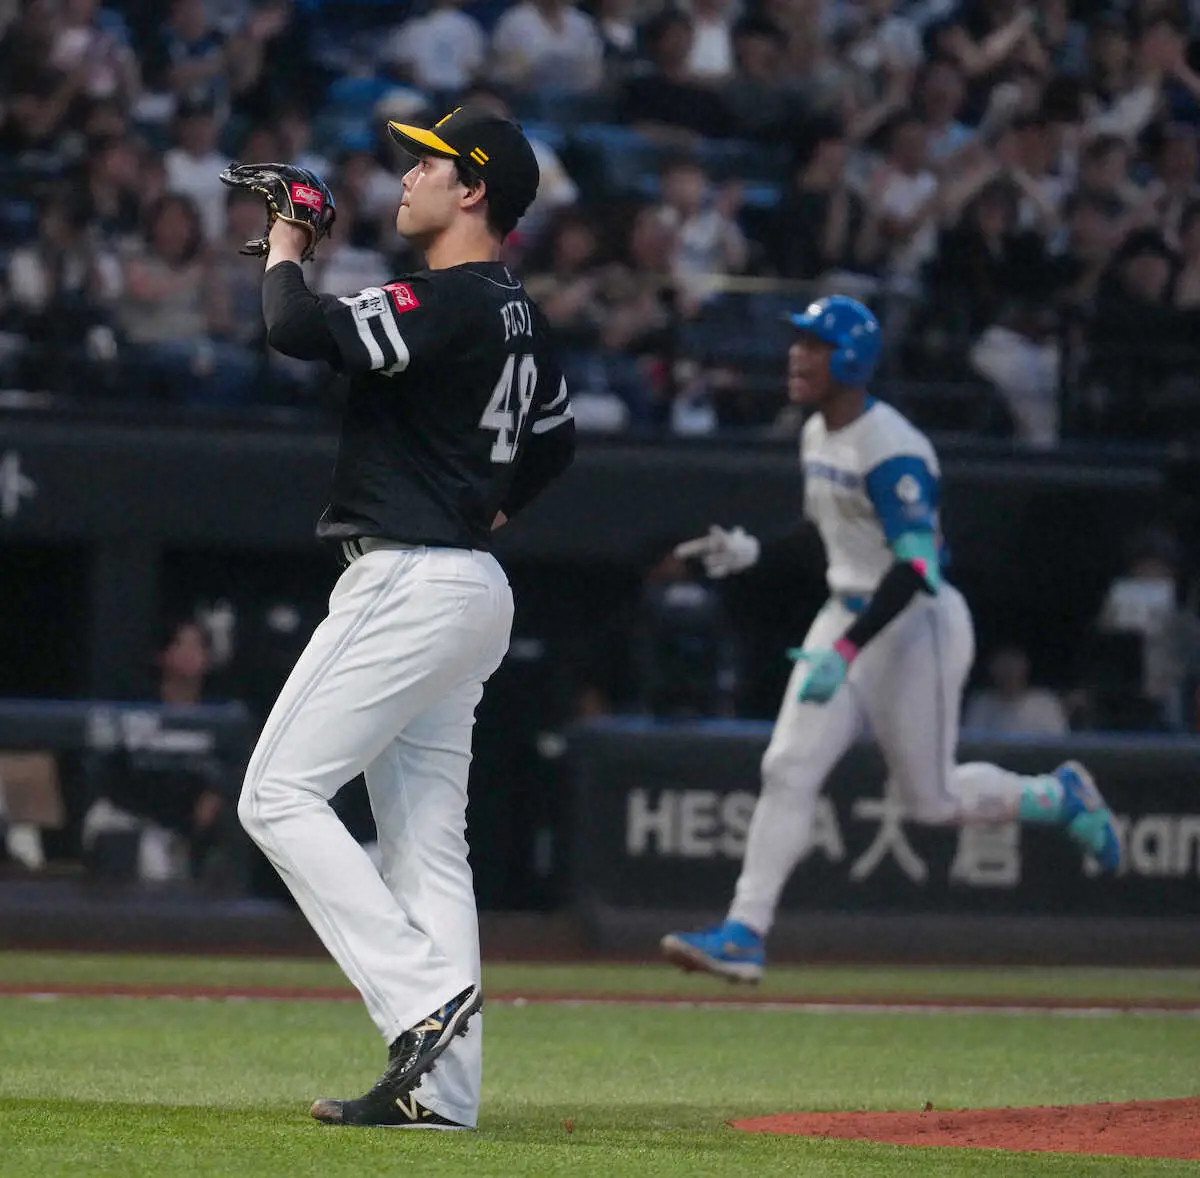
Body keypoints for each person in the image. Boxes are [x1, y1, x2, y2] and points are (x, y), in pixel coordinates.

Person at [226, 105, 575, 1127]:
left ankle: (419, 999)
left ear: (474, 189)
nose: (409, 174)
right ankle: (446, 1093)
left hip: (410, 581)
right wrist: (489, 506)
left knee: (276, 793)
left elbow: (296, 328)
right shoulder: (520, 313)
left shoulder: (450, 298)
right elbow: (557, 442)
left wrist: (291, 238)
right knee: (426, 844)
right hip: (468, 584)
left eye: (429, 162)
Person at [660, 296, 1121, 984]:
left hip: (914, 627)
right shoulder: (817, 432)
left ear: (850, 359)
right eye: (799, 342)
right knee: (787, 768)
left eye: (814, 345)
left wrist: (847, 650)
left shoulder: (893, 447)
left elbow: (916, 569)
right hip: (848, 612)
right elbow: (829, 529)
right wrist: (756, 551)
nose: (796, 355)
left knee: (931, 803)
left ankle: (1058, 796)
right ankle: (744, 933)